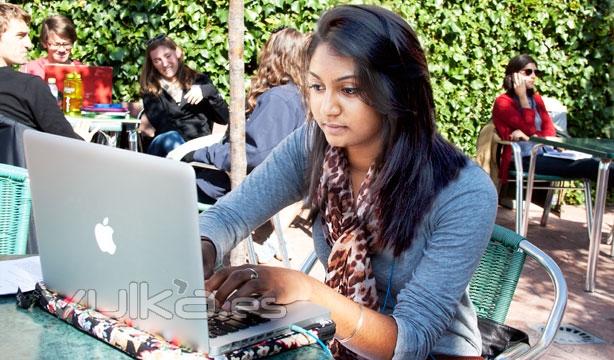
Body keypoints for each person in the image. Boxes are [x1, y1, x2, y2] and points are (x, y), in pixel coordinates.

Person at [200, 5, 497, 359]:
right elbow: (228, 217)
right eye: (316, 86)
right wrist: (200, 248)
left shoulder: (463, 192)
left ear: (397, 92)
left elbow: (412, 342)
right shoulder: (313, 145)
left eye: (350, 89)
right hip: (336, 338)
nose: (326, 108)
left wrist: (306, 290)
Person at [183, 27, 307, 204]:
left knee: (164, 190)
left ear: (273, 56)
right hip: (264, 184)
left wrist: (201, 154)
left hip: (234, 188)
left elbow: (253, 154)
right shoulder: (298, 95)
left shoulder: (278, 99)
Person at [492, 54, 613, 186]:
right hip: (522, 159)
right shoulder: (503, 103)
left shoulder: (536, 99)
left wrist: (529, 137)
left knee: (599, 161)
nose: (533, 76)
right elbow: (529, 128)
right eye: (528, 72)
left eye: (535, 72)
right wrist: (522, 98)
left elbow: (549, 131)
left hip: (547, 154)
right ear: (513, 75)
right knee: (591, 166)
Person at [0, 4, 81, 141]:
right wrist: (84, 138)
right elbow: (70, 144)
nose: (29, 44)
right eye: (21, 36)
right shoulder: (30, 87)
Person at [138, 35, 229, 157]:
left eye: (167, 56)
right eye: (157, 60)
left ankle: (194, 165)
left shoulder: (199, 81)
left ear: (178, 53)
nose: (164, 64)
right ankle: (190, 165)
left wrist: (209, 92)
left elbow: (224, 119)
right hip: (165, 149)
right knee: (172, 137)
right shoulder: (151, 89)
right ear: (152, 64)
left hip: (199, 147)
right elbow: (165, 125)